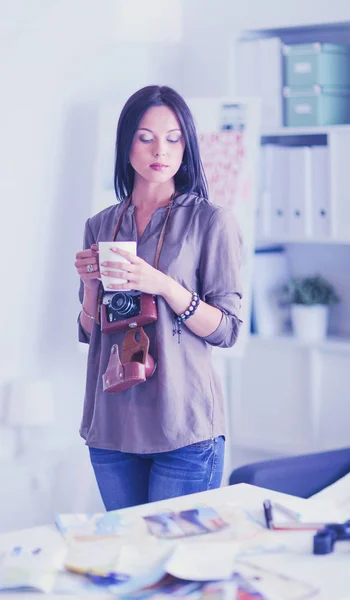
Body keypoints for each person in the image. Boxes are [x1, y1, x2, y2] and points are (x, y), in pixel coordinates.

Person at [74, 85, 243, 511]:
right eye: (145, 136)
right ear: (126, 143)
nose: (160, 150)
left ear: (186, 145)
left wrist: (164, 285)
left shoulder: (211, 222)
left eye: (173, 138)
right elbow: (90, 333)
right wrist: (91, 287)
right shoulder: (101, 225)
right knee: (129, 560)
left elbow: (227, 330)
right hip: (112, 425)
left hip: (183, 425)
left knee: (175, 562)